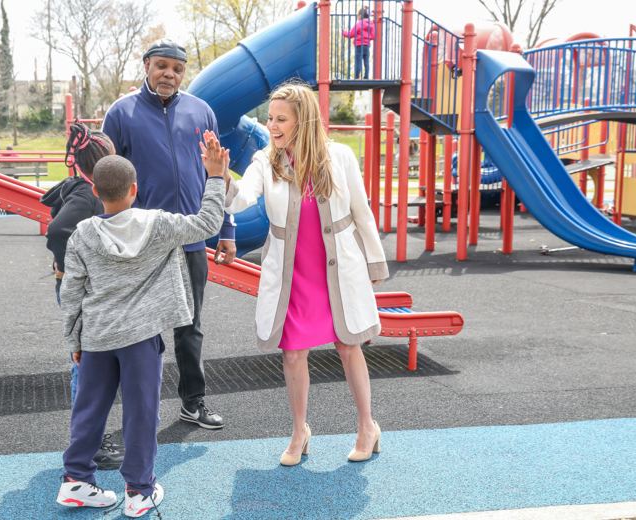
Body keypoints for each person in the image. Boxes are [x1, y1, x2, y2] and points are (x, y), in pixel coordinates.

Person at [213, 81, 388, 466]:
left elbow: (361, 212)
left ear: (302, 120)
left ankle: (366, 426)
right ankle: (299, 431)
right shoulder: (266, 161)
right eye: (270, 118)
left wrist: (374, 262)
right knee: (293, 354)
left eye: (281, 119)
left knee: (348, 345)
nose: (272, 126)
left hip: (337, 271)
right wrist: (220, 176)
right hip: (292, 276)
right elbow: (240, 200)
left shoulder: (339, 157)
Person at [56, 149, 228, 515]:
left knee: (88, 409)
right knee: (141, 412)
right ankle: (139, 491)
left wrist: (74, 339)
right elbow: (208, 223)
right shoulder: (160, 225)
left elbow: (71, 293)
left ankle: (76, 481)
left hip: (97, 337)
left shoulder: (83, 235)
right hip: (141, 339)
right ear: (134, 189)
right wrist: (214, 176)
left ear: (95, 190)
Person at [102, 38, 234, 429]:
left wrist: (225, 227)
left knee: (190, 327)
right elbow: (106, 178)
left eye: (177, 69)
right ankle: (135, 412)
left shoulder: (201, 111)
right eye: (161, 66)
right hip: (140, 241)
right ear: (146, 66)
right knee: (135, 328)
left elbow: (218, 173)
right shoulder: (121, 113)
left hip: (192, 238)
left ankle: (193, 402)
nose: (169, 75)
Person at [40, 122, 124, 469]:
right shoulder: (89, 194)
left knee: (91, 364)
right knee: (88, 368)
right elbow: (59, 230)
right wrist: (72, 266)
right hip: (82, 292)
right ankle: (88, 441)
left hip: (84, 291)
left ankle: (89, 436)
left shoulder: (82, 189)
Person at [342, 7, 375, 79]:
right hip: (367, 46)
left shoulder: (359, 24)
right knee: (366, 62)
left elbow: (351, 34)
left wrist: (343, 32)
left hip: (359, 46)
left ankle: (357, 77)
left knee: (358, 62)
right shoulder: (371, 24)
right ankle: (366, 77)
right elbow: (372, 37)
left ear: (360, 15)